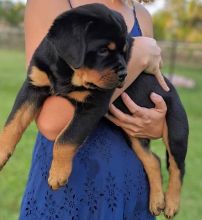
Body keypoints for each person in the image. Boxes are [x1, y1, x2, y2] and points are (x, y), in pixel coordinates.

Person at [19, 0, 168, 219]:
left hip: (131, 191)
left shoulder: (141, 16)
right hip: (68, 190)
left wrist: (156, 125)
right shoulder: (51, 3)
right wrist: (137, 55)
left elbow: (139, 100)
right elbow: (52, 123)